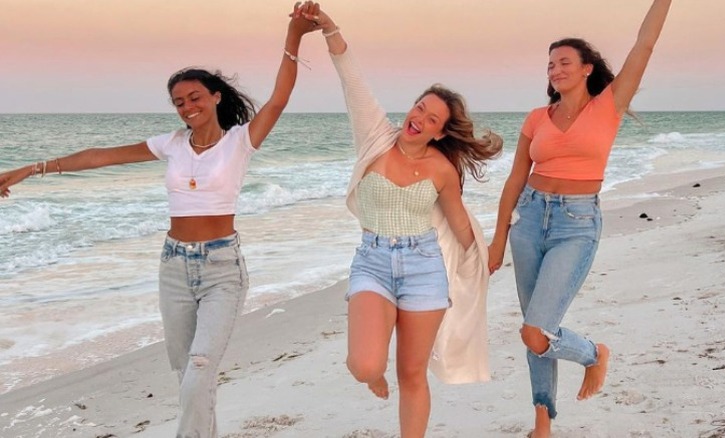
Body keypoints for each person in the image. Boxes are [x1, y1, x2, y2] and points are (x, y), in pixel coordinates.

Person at [0, 8, 318, 437]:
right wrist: (32, 168)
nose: (187, 107)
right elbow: (102, 156)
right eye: (179, 102)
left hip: (222, 269)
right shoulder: (171, 144)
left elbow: (279, 97)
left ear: (216, 97)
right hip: (173, 268)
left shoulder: (240, 142)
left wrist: (294, 34)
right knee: (187, 376)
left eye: (194, 97)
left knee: (200, 373)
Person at [293, 3, 502, 436]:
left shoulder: (442, 170)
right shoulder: (375, 138)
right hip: (372, 262)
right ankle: (374, 377)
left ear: (441, 132)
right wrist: (330, 27)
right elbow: (352, 80)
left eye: (431, 118)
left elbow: (461, 226)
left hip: (424, 267)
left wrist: (486, 255)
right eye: (418, 108)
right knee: (363, 363)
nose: (418, 119)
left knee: (413, 374)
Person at [487, 1, 672, 437]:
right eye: (550, 64)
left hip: (577, 224)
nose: (554, 70)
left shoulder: (610, 104)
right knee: (537, 323)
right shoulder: (537, 118)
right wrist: (497, 239)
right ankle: (542, 422)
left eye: (564, 62)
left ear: (587, 68)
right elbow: (515, 180)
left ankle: (592, 353)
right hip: (529, 220)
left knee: (536, 331)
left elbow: (645, 44)